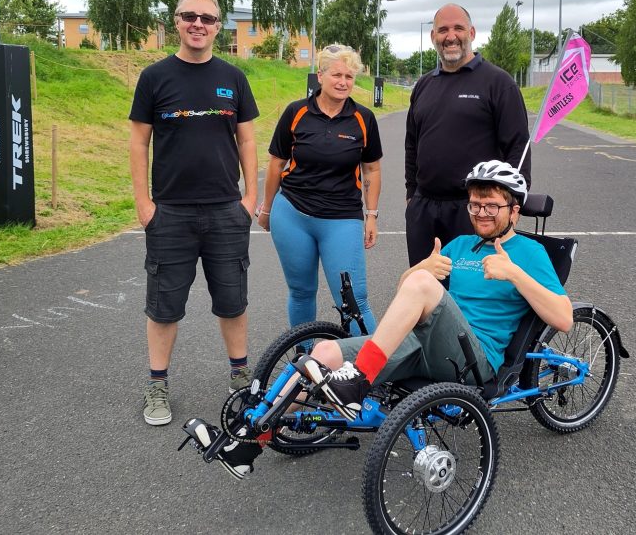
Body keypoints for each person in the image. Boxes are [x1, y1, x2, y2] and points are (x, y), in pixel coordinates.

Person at [181, 160, 571, 475]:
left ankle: (358, 380)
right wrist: (424, 267)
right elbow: (410, 287)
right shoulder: (461, 244)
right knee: (324, 353)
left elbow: (564, 318)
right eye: (475, 204)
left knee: (417, 288)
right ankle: (249, 440)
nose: (481, 213)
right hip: (425, 343)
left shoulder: (530, 253)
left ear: (514, 211)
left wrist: (515, 274)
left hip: (473, 361)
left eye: (491, 206)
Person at [129, 0, 259, 426]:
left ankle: (241, 379)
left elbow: (247, 139)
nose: (197, 24)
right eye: (190, 16)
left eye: (206, 18)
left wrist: (250, 199)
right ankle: (157, 385)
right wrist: (144, 203)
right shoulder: (155, 77)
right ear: (176, 21)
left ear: (218, 27)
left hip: (226, 210)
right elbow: (138, 140)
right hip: (170, 213)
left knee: (232, 301)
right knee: (163, 305)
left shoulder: (233, 78)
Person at [256, 44, 383, 335]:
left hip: (341, 218)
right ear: (320, 76)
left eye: (349, 77)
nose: (343, 82)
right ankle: (305, 358)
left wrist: (372, 215)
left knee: (354, 300)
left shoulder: (363, 119)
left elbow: (372, 169)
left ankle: (371, 371)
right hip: (292, 214)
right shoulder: (296, 112)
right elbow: (276, 164)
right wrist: (266, 209)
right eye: (336, 74)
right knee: (301, 292)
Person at [405, 4, 532, 266]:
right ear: (433, 37)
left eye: (458, 28)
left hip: (475, 209)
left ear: (471, 32)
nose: (450, 36)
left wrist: (510, 204)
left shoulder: (498, 83)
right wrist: (411, 196)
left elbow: (518, 146)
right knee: (423, 289)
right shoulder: (424, 85)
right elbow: (412, 145)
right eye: (443, 30)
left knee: (471, 294)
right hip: (424, 210)